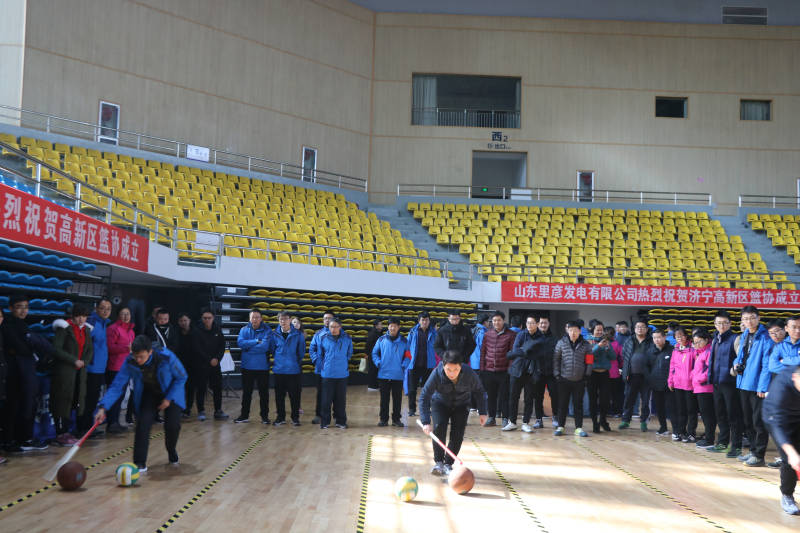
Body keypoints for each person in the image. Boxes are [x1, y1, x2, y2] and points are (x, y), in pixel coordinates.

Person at [95, 335, 187, 472]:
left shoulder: (167, 357)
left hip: (171, 392)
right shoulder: (130, 361)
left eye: (141, 357)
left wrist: (168, 399)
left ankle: (171, 449)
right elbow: (117, 386)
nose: (138, 360)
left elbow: (181, 377)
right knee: (142, 425)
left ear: (150, 352)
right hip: (149, 393)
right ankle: (139, 463)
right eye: (135, 356)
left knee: (172, 426)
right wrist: (103, 407)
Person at [420, 350, 488, 476]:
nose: (452, 373)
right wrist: (425, 422)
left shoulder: (469, 373)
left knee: (458, 433)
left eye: (456, 369)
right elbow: (424, 396)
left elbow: (480, 391)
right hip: (440, 403)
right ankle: (439, 462)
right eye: (448, 370)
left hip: (462, 404)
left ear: (461, 366)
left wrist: (483, 412)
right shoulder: (436, 373)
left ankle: (448, 464)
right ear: (443, 366)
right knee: (439, 428)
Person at [1, 295, 45, 452]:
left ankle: (23, 439)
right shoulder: (6, 326)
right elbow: (22, 348)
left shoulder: (23, 325)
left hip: (24, 373)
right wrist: (30, 348)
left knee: (25, 406)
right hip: (11, 374)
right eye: (19, 307)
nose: (23, 310)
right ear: (11, 308)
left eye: (26, 307)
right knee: (12, 408)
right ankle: (9, 441)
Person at [733, 306, 771, 467]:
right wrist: (736, 364)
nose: (749, 321)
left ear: (758, 318)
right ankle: (753, 451)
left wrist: (762, 387)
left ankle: (759, 455)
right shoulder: (744, 335)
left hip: (756, 386)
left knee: (758, 422)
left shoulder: (765, 337)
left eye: (752, 318)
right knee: (747, 421)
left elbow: (766, 365)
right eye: (745, 318)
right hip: (743, 382)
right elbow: (740, 356)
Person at [51, 305, 93, 446]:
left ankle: (67, 431)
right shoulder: (64, 328)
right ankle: (60, 433)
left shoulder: (86, 330)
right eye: (78, 316)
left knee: (74, 401)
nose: (81, 319)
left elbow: (89, 350)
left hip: (79, 372)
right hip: (65, 371)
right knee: (62, 401)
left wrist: (84, 362)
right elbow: (56, 349)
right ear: (73, 316)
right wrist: (73, 360)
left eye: (84, 316)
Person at [763, 365, 800, 515]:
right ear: (795, 378)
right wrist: (791, 453)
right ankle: (787, 495)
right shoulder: (781, 389)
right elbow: (777, 425)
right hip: (779, 419)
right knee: (789, 459)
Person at [707, 310, 743, 458]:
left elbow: (741, 359)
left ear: (730, 324)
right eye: (719, 323)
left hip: (730, 383)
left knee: (733, 415)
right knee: (720, 414)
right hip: (717, 383)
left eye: (725, 323)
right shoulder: (715, 339)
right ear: (715, 324)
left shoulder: (736, 338)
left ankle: (736, 446)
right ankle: (722, 443)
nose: (721, 325)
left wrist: (733, 371)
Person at [506, 315, 546, 433]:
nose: (529, 325)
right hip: (517, 369)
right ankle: (512, 422)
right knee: (513, 397)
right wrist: (527, 350)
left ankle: (525, 423)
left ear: (537, 324)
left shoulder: (541, 337)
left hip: (531, 371)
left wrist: (523, 350)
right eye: (528, 323)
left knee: (529, 399)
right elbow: (515, 350)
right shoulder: (521, 334)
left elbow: (539, 354)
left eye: (532, 323)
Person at [553, 321, 593, 437]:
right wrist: (557, 374)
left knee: (578, 405)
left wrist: (587, 375)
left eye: (575, 330)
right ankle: (561, 427)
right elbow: (556, 359)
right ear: (567, 331)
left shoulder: (586, 345)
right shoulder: (561, 343)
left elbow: (590, 361)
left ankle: (578, 428)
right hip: (563, 379)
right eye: (571, 330)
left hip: (579, 380)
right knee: (562, 404)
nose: (573, 333)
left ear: (580, 331)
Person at [311, 316, 352, 429]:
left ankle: (341, 421)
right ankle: (325, 422)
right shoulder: (323, 337)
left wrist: (343, 363)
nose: (333, 329)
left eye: (335, 327)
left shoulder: (347, 338)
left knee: (340, 400)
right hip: (327, 373)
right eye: (331, 327)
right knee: (326, 400)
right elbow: (319, 354)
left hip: (342, 374)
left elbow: (349, 353)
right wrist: (322, 365)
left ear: (340, 327)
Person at [235, 309, 273, 424]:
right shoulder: (243, 330)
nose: (255, 319)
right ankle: (244, 416)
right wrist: (256, 341)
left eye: (257, 317)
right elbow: (240, 343)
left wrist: (248, 348)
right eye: (253, 317)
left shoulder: (267, 330)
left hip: (262, 367)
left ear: (261, 319)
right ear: (249, 319)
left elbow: (264, 347)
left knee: (264, 394)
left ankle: (264, 417)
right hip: (247, 367)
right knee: (246, 393)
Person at [81, 298, 111, 435]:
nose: (105, 311)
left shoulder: (104, 323)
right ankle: (83, 428)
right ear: (96, 309)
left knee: (93, 400)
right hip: (91, 368)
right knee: (88, 400)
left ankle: (88, 427)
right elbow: (84, 344)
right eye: (102, 308)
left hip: (100, 368)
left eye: (108, 309)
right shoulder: (91, 322)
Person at [372, 317, 409, 427]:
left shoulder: (404, 341)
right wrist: (378, 362)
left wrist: (404, 365)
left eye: (395, 326)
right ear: (388, 327)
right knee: (384, 399)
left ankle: (396, 420)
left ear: (399, 327)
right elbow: (374, 353)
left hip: (398, 375)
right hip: (383, 374)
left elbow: (408, 356)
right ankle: (383, 419)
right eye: (390, 326)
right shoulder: (381, 340)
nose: (392, 328)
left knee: (397, 399)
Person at [193, 309, 228, 421]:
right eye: (205, 318)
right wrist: (209, 359)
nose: (207, 320)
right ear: (202, 318)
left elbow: (222, 346)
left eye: (209, 318)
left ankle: (218, 411)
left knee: (217, 388)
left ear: (213, 318)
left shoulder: (218, 330)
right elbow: (197, 348)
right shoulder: (197, 331)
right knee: (201, 388)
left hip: (215, 364)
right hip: (202, 365)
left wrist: (217, 358)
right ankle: (201, 411)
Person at [482, 311, 515, 429]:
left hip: (504, 371)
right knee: (491, 396)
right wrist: (483, 369)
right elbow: (483, 352)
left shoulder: (511, 334)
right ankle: (491, 418)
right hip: (489, 370)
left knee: (504, 396)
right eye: (494, 320)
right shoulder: (487, 334)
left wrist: (510, 369)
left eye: (499, 320)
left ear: (503, 321)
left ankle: (505, 418)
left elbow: (512, 354)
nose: (496, 322)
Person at [105, 307, 136, 431]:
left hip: (126, 368)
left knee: (121, 397)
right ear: (118, 315)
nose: (126, 316)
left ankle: (116, 422)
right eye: (123, 314)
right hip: (115, 367)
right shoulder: (113, 328)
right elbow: (110, 347)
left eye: (128, 314)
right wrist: (126, 348)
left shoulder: (131, 331)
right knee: (115, 396)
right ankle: (111, 422)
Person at [272, 311, 304, 426]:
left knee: (294, 396)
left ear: (290, 320)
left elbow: (301, 352)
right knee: (279, 396)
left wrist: (293, 362)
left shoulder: (298, 334)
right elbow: (272, 350)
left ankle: (295, 418)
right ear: (278, 320)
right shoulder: (274, 334)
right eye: (281, 319)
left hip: (293, 370)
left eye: (285, 319)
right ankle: (280, 417)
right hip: (279, 370)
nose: (283, 321)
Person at [620, 320, 653, 431]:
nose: (640, 328)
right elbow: (624, 355)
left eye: (642, 327)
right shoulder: (629, 340)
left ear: (646, 329)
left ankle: (644, 422)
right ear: (634, 329)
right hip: (631, 375)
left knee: (645, 400)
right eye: (638, 327)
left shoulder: (651, 341)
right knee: (629, 399)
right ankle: (625, 420)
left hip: (646, 376)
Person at [668, 325, 698, 442]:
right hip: (678, 384)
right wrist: (670, 381)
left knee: (691, 410)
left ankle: (691, 433)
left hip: (690, 385)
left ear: (686, 336)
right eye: (677, 336)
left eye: (681, 335)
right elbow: (672, 367)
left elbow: (697, 366)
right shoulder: (675, 350)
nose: (679, 338)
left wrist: (692, 378)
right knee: (681, 410)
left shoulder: (693, 349)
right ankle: (681, 432)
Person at [405, 311, 437, 418]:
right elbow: (407, 348)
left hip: (428, 365)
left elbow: (438, 346)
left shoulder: (434, 333)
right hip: (414, 365)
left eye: (426, 320)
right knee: (412, 389)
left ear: (429, 321)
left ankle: (427, 409)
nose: (424, 322)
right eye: (422, 320)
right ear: (419, 321)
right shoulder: (412, 332)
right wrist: (408, 361)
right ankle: (412, 409)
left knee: (428, 389)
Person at [691, 327, 718, 450]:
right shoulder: (700, 352)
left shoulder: (709, 352)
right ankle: (708, 436)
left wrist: (697, 379)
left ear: (706, 340)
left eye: (699, 342)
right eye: (695, 342)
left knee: (708, 415)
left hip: (706, 388)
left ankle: (709, 439)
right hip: (699, 388)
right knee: (705, 415)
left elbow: (709, 371)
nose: (696, 345)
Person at [587, 322, 614, 433]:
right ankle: (595, 423)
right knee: (592, 400)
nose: (599, 332)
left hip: (604, 374)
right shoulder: (588, 341)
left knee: (605, 400)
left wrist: (608, 348)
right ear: (592, 331)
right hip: (592, 374)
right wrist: (598, 346)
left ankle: (603, 420)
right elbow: (588, 357)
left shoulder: (606, 341)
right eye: (597, 330)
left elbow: (613, 357)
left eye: (601, 330)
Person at [309, 311, 335, 425]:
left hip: (335, 370)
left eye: (329, 318)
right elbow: (312, 349)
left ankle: (337, 416)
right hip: (321, 370)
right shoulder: (318, 334)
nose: (327, 320)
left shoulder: (340, 334)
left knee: (336, 395)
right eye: (325, 318)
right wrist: (317, 361)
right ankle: (319, 415)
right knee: (321, 394)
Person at [534, 317, 559, 429]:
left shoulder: (554, 338)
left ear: (549, 324)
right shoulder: (534, 337)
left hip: (551, 373)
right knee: (538, 397)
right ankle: (538, 419)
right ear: (538, 324)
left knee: (554, 395)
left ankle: (555, 417)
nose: (543, 325)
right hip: (538, 372)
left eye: (545, 323)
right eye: (541, 323)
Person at [648, 329, 674, 437]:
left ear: (664, 337)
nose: (657, 340)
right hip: (655, 385)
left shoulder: (672, 350)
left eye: (659, 337)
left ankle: (677, 429)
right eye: (654, 338)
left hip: (669, 385)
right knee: (659, 408)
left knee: (672, 408)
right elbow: (647, 367)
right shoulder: (650, 351)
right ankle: (663, 427)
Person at [175, 312, 196, 417]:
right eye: (181, 321)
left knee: (190, 387)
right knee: (179, 387)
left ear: (189, 321)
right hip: (179, 364)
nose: (183, 322)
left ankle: (188, 408)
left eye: (185, 320)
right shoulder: (175, 333)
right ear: (178, 322)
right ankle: (179, 407)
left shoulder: (195, 333)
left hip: (192, 364)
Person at [607, 326, 625, 418]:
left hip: (605, 372)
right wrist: (621, 367)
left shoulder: (601, 343)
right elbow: (622, 358)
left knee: (606, 394)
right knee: (615, 394)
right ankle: (616, 411)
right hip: (614, 372)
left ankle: (607, 411)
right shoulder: (617, 344)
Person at [364, 319, 384, 391]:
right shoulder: (372, 334)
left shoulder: (380, 333)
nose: (382, 326)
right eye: (380, 324)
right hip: (372, 355)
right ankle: (371, 386)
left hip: (379, 355)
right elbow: (368, 345)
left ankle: (376, 385)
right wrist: (367, 354)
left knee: (376, 370)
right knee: (372, 370)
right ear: (376, 326)